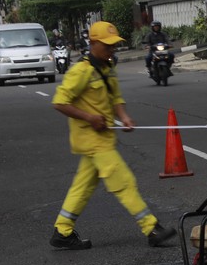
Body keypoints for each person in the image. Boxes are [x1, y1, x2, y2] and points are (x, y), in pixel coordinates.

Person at [49, 21, 176, 250]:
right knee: (124, 181)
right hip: (92, 139)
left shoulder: (108, 68)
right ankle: (151, 228)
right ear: (93, 43)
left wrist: (124, 116)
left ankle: (62, 230)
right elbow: (59, 102)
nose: (111, 50)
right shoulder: (80, 71)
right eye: (107, 46)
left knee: (83, 186)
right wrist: (89, 118)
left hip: (104, 137)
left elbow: (116, 97)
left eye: (114, 46)